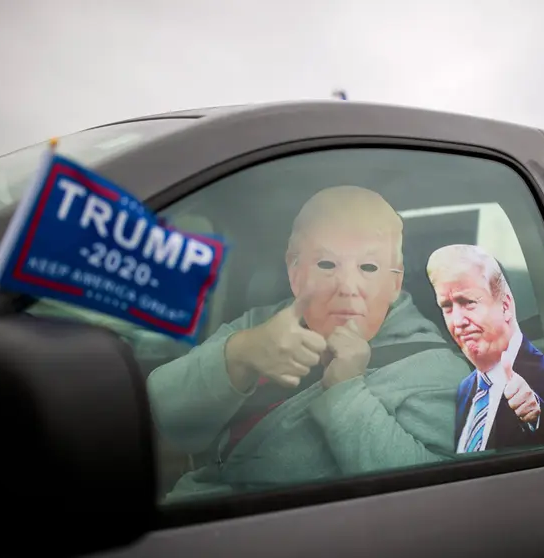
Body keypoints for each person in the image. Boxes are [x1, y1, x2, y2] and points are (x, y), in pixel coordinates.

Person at [148, 186, 472, 499]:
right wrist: (240, 353)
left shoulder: (439, 370)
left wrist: (346, 393)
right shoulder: (264, 323)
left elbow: (441, 499)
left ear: (394, 281)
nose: (347, 286)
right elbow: (166, 417)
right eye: (327, 264)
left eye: (369, 267)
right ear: (295, 272)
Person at [426, 244, 544, 453]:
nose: (457, 321)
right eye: (447, 307)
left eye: (468, 302)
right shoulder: (464, 389)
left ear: (505, 306)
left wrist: (536, 417)